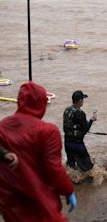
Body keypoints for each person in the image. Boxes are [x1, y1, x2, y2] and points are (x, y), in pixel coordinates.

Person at [0, 81, 76, 221]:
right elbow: (54, 168)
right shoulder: (48, 131)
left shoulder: (2, 126)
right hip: (40, 202)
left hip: (10, 204)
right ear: (42, 103)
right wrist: (68, 190)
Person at [63, 90, 97, 171]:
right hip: (77, 144)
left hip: (67, 142)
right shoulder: (80, 113)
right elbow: (86, 128)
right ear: (80, 100)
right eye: (83, 99)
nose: (83, 101)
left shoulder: (67, 110)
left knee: (70, 167)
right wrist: (92, 120)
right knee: (89, 169)